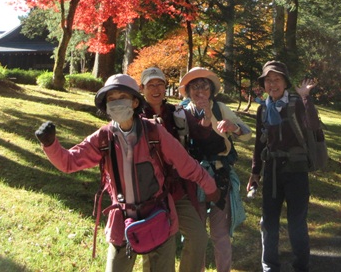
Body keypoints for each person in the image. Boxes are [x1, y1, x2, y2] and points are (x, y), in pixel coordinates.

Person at [35, 73, 220, 272]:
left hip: (158, 216)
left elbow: (186, 164)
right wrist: (50, 144)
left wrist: (211, 188)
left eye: (122, 97)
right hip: (122, 222)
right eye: (111, 99)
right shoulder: (103, 137)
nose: (117, 103)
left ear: (135, 102)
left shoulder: (154, 132)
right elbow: (69, 162)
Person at [247, 61, 321, 272]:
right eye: (268, 80)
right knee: (268, 223)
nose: (272, 84)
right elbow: (260, 142)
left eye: (277, 79)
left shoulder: (297, 103)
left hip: (296, 171)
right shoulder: (263, 109)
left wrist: (306, 98)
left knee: (296, 222)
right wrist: (255, 172)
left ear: (285, 82)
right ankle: (270, 267)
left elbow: (313, 125)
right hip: (272, 171)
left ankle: (301, 266)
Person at [179, 67, 251, 272]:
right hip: (193, 178)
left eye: (204, 87)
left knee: (220, 234)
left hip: (219, 176)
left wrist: (233, 127)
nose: (200, 91)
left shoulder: (220, 109)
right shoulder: (182, 112)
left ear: (211, 90)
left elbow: (247, 134)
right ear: (188, 91)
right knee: (197, 234)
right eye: (195, 87)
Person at [139, 67, 208, 272]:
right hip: (150, 193)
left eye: (160, 84)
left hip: (177, 190)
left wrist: (209, 117)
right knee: (156, 244)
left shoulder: (177, 113)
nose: (156, 89)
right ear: (142, 88)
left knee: (198, 236)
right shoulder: (136, 116)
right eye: (151, 85)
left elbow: (201, 134)